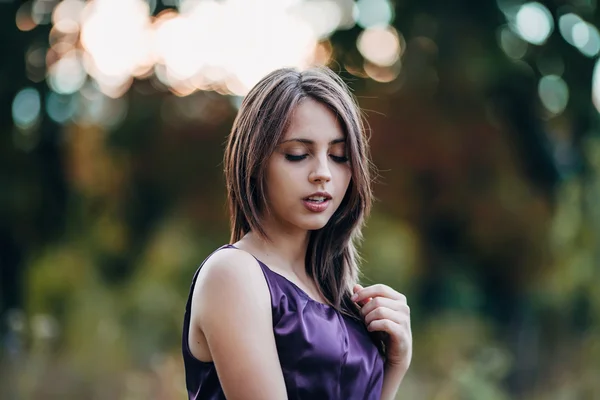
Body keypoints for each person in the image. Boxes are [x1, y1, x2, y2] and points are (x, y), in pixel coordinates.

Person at [181, 67, 412, 399]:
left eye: (338, 156)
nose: (322, 173)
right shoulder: (233, 275)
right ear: (255, 160)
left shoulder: (335, 290)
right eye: (297, 155)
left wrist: (396, 363)